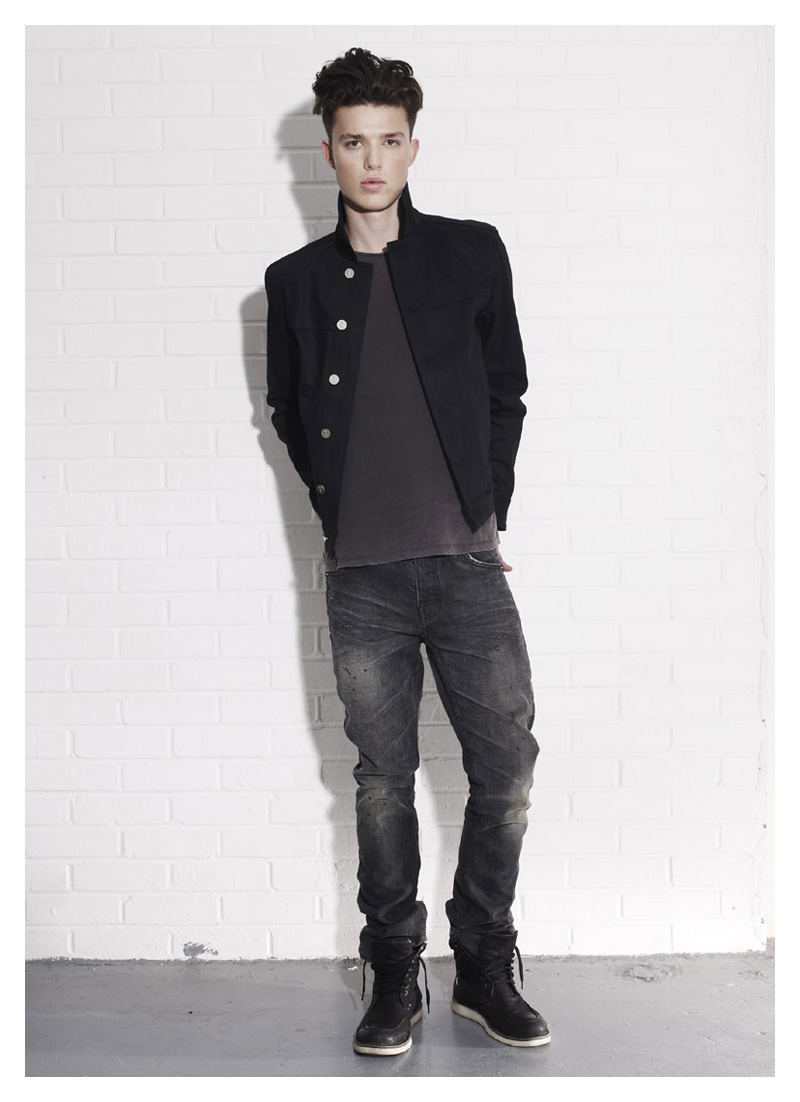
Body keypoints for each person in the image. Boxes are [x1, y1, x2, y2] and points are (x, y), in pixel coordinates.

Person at [264, 46, 550, 1056]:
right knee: (381, 779)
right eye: (354, 142)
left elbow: (506, 389)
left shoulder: (471, 253)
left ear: (413, 147)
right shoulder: (294, 283)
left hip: (465, 564)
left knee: (506, 767)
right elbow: (289, 412)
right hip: (365, 577)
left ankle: (482, 962)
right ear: (328, 153)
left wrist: (486, 511)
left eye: (389, 140)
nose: (373, 160)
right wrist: (343, 517)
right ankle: (393, 969)